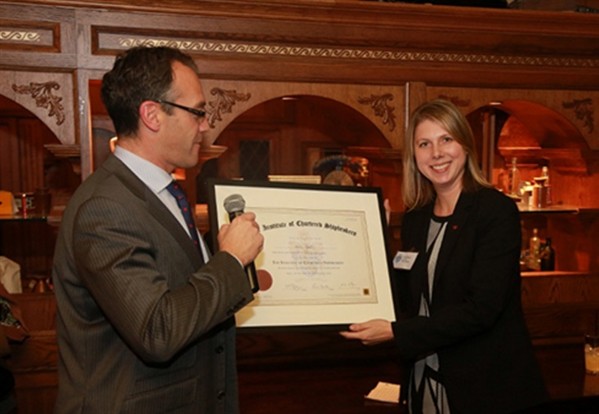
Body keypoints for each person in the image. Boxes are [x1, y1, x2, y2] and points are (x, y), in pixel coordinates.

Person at [52, 46, 263, 414]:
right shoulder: (104, 208)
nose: (205, 125)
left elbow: (180, 288)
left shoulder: (162, 191)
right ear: (152, 114)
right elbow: (157, 330)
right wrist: (229, 261)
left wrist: (237, 272)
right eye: (197, 112)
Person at [341, 99, 548, 414]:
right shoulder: (416, 218)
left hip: (486, 392)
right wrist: (375, 239)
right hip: (423, 384)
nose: (436, 153)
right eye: (424, 144)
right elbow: (405, 297)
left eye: (446, 139)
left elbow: (481, 310)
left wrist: (396, 332)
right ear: (414, 155)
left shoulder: (494, 211)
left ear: (465, 145)